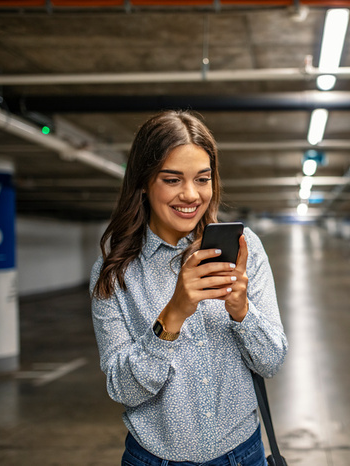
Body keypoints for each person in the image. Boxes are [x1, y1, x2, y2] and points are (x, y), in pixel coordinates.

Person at [90, 110, 287, 465]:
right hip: (154, 459)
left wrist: (243, 312)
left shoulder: (245, 248)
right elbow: (123, 389)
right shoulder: (114, 274)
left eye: (202, 179)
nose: (190, 195)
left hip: (242, 454)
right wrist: (173, 315)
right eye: (172, 179)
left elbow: (271, 362)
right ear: (143, 183)